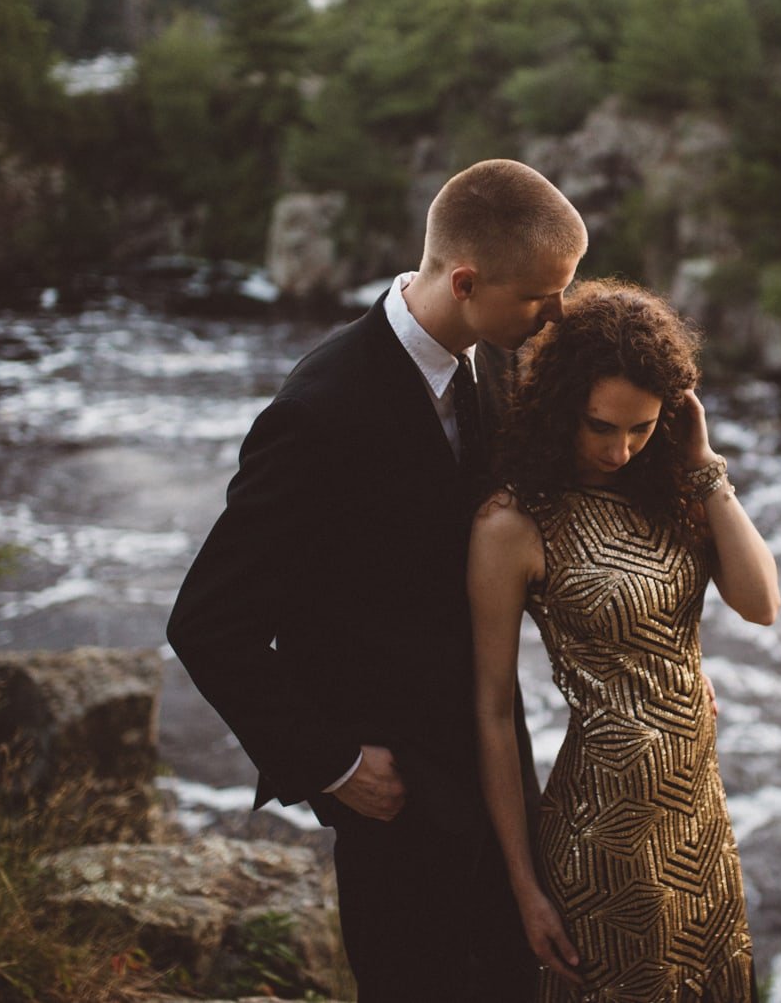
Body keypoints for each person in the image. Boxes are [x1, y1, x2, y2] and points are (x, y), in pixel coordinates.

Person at [166, 159, 587, 1002]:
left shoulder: (497, 360)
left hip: (501, 776)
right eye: (542, 296)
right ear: (467, 281)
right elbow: (208, 621)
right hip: (395, 804)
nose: (557, 315)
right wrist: (333, 763)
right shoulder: (317, 414)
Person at [469, 280, 780, 1002]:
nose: (621, 448)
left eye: (642, 427)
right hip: (605, 831)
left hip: (698, 811)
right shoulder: (513, 522)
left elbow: (761, 602)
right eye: (601, 426)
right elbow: (489, 709)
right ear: (558, 406)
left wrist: (703, 465)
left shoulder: (667, 486)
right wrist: (525, 886)